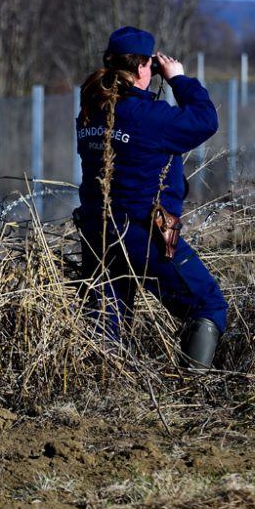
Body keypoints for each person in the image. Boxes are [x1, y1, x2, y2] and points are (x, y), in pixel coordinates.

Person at [75, 26, 227, 370]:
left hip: (97, 233)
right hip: (145, 236)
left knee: (106, 327)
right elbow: (205, 120)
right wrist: (178, 79)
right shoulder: (150, 117)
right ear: (145, 66)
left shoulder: (90, 113)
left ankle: (101, 395)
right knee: (207, 304)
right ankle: (192, 391)